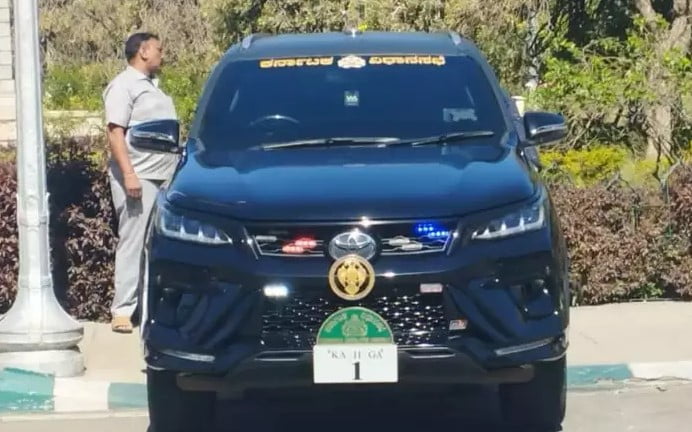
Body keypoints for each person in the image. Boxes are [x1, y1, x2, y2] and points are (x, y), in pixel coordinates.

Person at [103, 32, 179, 333]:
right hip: (139, 178)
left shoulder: (152, 86)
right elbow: (115, 132)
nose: (163, 54)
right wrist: (129, 174)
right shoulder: (123, 86)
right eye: (159, 49)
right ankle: (122, 311)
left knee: (159, 244)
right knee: (133, 241)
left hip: (164, 178)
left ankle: (154, 309)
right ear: (143, 51)